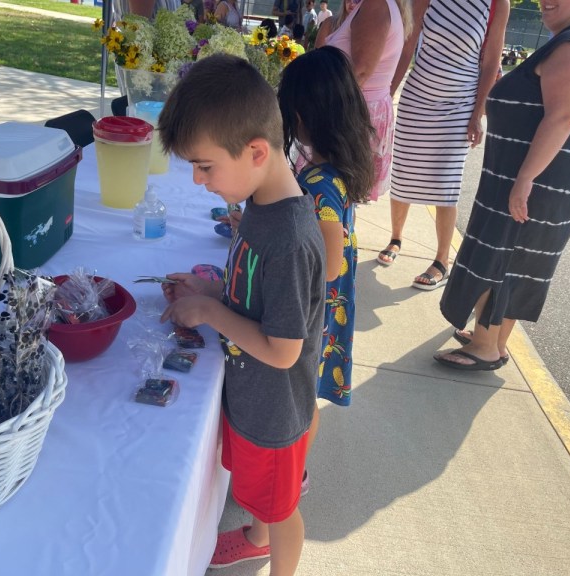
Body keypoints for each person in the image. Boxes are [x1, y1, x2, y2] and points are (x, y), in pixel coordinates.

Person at [157, 54, 326, 574]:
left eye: (205, 166)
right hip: (249, 396)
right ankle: (256, 534)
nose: (197, 180)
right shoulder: (258, 201)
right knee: (259, 497)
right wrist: (211, 286)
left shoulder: (291, 240)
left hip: (274, 413)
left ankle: (276, 557)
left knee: (282, 509)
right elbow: (254, 295)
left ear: (255, 151)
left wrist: (209, 309)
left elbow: (282, 349)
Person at [434, 0, 570, 370]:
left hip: (541, 179)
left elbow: (562, 117)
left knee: (503, 253)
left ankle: (484, 346)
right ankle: (493, 341)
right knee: (516, 258)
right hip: (541, 176)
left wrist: (526, 178)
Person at [277, 47, 373, 483]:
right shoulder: (332, 170)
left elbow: (328, 264)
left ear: (300, 114)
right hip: (327, 310)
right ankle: (294, 471)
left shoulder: (318, 186)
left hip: (315, 313)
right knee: (304, 399)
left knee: (300, 401)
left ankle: (292, 475)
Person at [377, 0, 509, 290]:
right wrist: (386, 96)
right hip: (417, 98)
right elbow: (408, 46)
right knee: (403, 171)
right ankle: (396, 237)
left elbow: (490, 62)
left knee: (445, 181)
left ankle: (441, 260)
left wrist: (477, 114)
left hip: (460, 104)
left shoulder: (498, 4)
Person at [315, 0, 411, 203]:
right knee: (338, 199)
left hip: (349, 116)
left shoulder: (375, 5)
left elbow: (359, 72)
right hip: (356, 112)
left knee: (328, 197)